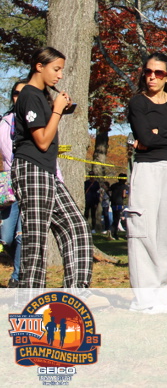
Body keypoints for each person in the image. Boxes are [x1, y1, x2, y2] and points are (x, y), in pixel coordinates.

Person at [10, 49, 100, 303]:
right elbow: (41, 141)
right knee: (36, 239)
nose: (60, 75)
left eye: (61, 70)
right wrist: (57, 110)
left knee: (76, 227)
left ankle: (76, 293)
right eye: (56, 69)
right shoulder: (29, 94)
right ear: (39, 66)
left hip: (46, 172)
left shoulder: (40, 96)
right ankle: (29, 302)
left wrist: (59, 108)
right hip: (32, 169)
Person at [126, 52, 167, 313]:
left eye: (159, 73)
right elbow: (145, 137)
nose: (152, 77)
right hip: (147, 168)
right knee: (143, 229)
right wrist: (164, 136)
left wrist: (159, 133)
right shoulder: (137, 103)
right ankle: (143, 299)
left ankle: (162, 294)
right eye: (148, 71)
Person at [1, 80, 28, 288]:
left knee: (21, 236)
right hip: (8, 186)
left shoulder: (37, 121)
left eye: (24, 93)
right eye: (16, 93)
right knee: (6, 237)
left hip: (30, 182)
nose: (19, 97)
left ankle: (17, 278)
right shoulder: (4, 122)